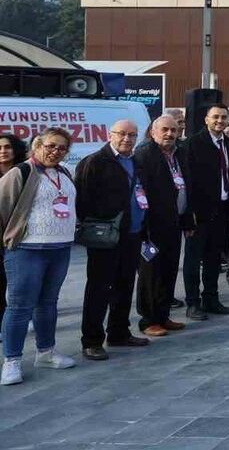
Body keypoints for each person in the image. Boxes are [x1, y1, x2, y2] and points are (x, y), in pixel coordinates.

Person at [0, 129, 78, 385]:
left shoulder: (64, 172)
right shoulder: (20, 172)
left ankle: (46, 352)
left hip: (59, 249)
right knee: (20, 306)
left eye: (62, 148)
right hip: (27, 250)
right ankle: (11, 361)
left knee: (48, 303)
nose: (55, 151)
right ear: (37, 145)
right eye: (51, 146)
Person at [76, 120, 150, 360]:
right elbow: (83, 200)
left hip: (132, 234)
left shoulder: (136, 161)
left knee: (124, 285)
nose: (127, 139)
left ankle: (119, 332)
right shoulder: (95, 162)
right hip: (106, 237)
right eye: (122, 134)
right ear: (110, 134)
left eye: (132, 134)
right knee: (99, 288)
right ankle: (92, 340)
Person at [133, 115, 192, 337]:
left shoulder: (178, 153)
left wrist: (187, 218)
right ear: (153, 131)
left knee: (168, 270)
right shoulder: (145, 154)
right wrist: (144, 226)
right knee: (151, 274)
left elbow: (186, 185)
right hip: (152, 226)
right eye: (165, 130)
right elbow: (141, 190)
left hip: (174, 222)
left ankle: (163, 315)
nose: (170, 134)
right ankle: (148, 320)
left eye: (174, 130)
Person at [184, 104, 229, 320]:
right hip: (200, 213)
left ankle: (211, 298)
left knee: (214, 259)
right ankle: (193, 302)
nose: (220, 120)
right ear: (206, 119)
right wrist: (189, 215)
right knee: (193, 259)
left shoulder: (227, 143)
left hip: (221, 210)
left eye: (223, 117)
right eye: (215, 117)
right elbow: (188, 181)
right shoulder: (194, 144)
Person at [0, 135, 30, 323]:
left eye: (7, 147)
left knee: (22, 282)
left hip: (20, 236)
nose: (3, 151)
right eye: (0, 147)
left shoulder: (25, 172)